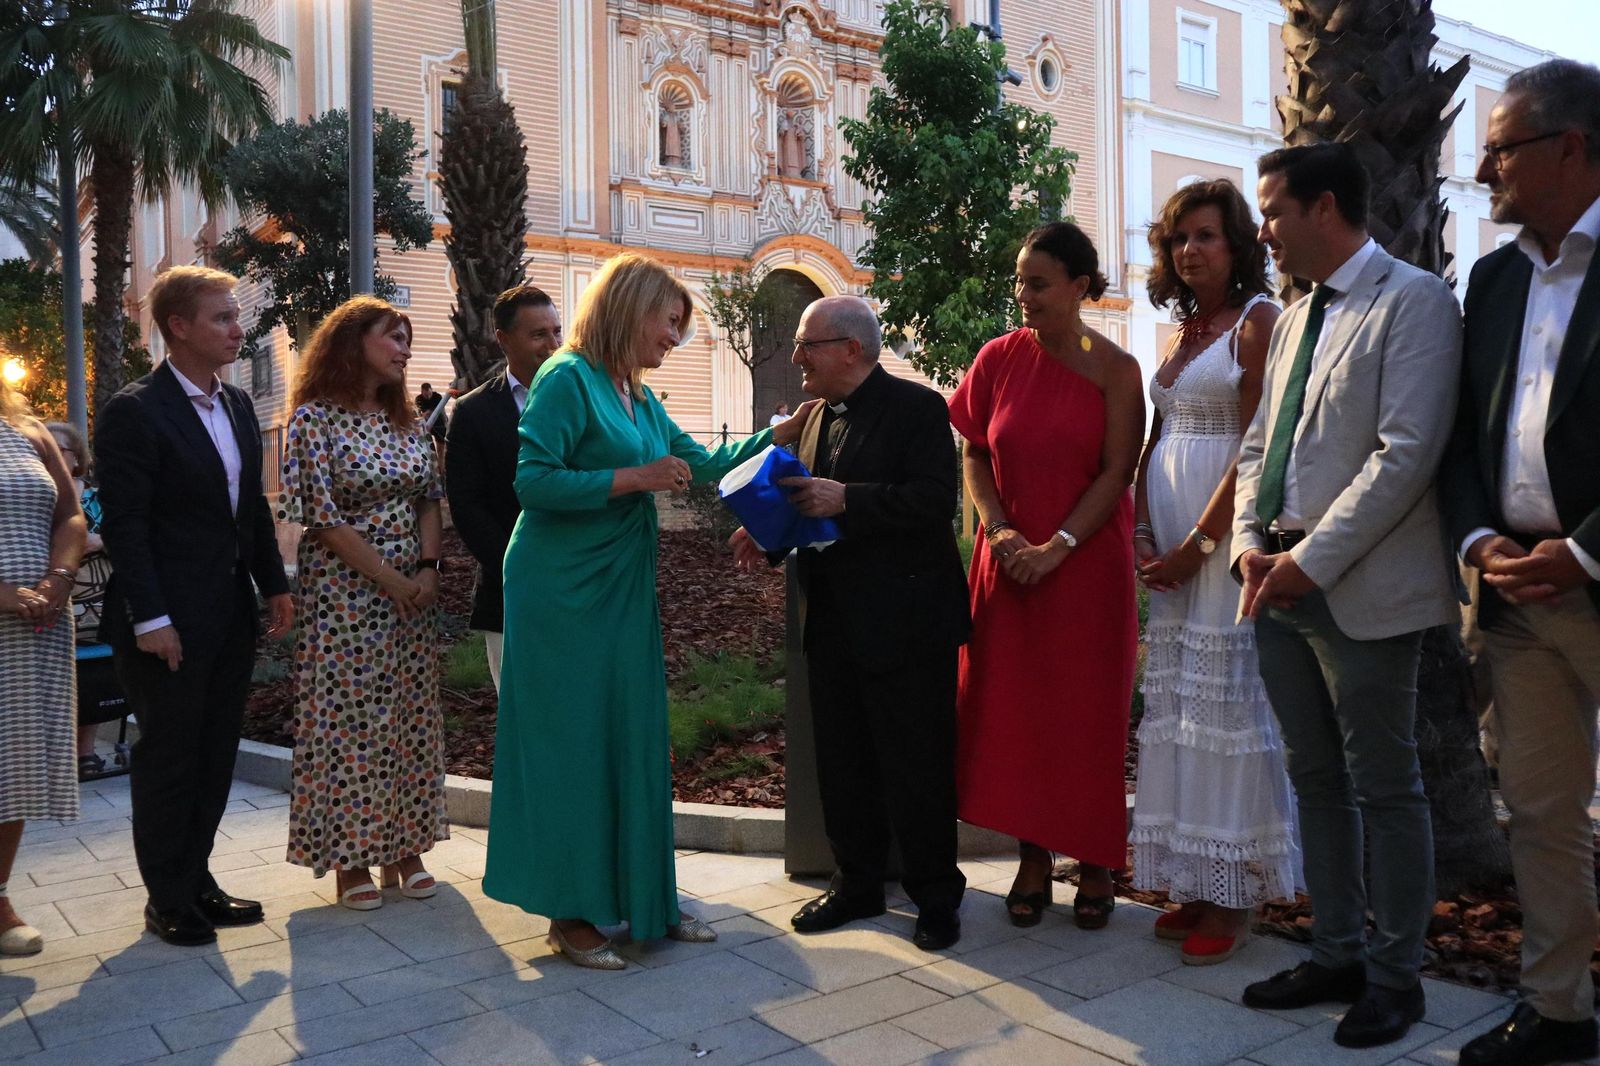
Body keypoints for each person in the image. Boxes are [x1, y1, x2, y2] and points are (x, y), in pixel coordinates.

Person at [484, 253, 808, 969]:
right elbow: (533, 482)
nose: (673, 341)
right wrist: (636, 477)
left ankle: (644, 899)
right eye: (668, 325)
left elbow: (704, 466)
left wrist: (778, 436)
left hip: (620, 585)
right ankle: (570, 915)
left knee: (630, 735)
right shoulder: (566, 378)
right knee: (573, 744)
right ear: (631, 311)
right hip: (560, 588)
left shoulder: (639, 396)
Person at [1232, 142, 1462, 1049]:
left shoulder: (1414, 301)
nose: (1266, 230)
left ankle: (1397, 977)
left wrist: (1309, 560)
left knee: (1385, 785)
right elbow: (1260, 448)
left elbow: (1404, 455)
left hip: (1360, 589)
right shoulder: (1292, 319)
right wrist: (1253, 544)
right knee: (1315, 779)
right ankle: (1335, 952)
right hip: (1275, 583)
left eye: (1275, 211)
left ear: (1324, 207)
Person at [1442, 60, 1600, 1066]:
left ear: (1571, 148)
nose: (1484, 164)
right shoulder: (1496, 274)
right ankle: (1560, 1014)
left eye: (1502, 145)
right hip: (1513, 596)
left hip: (1586, 575)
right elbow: (1463, 437)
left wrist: (1584, 550)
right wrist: (1477, 537)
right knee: (1541, 814)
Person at [733, 294, 972, 952]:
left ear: (852, 350)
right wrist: (768, 535)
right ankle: (856, 882)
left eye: (808, 344)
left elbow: (933, 503)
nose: (796, 357)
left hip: (906, 624)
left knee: (917, 765)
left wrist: (850, 498)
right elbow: (810, 507)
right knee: (842, 762)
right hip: (832, 618)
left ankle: (936, 897)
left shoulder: (919, 408)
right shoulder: (811, 420)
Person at [947, 222, 1143, 932]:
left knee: (1087, 716)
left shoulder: (1117, 369)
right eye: (1019, 281)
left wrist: (1058, 544)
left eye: (1038, 282)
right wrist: (999, 531)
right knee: (1018, 713)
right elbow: (973, 451)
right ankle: (1033, 860)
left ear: (1080, 287)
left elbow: (1118, 471)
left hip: (1086, 569)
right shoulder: (998, 358)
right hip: (1008, 567)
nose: (1022, 295)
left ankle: (1095, 862)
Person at [96, 265, 293, 947]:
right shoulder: (134, 411)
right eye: (222, 318)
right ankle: (167, 896)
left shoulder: (237, 405)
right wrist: (152, 620)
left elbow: (250, 515)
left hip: (228, 612)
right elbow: (127, 527)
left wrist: (275, 586)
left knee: (214, 754)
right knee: (170, 756)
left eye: (235, 317)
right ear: (179, 327)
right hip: (166, 623)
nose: (239, 328)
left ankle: (198, 878)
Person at [1130, 180, 1299, 964]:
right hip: (1165, 546)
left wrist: (1200, 541)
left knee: (1229, 714)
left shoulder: (1258, 323)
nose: (1189, 251)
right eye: (1178, 239)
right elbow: (1157, 433)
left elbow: (1258, 442)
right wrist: (1137, 521)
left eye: (1204, 236)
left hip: (1222, 544)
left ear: (1237, 244)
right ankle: (1198, 878)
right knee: (1181, 716)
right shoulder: (1182, 333)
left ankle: (1237, 900)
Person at [278, 296, 447, 910]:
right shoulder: (313, 420)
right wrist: (392, 580)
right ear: (354, 344)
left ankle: (406, 847)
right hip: (348, 596)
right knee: (352, 722)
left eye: (407, 338)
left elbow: (429, 496)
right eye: (393, 337)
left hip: (410, 597)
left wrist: (426, 569)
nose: (404, 350)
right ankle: (351, 855)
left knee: (407, 719)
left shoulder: (407, 424)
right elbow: (320, 519)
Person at [0, 380, 86, 956]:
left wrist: (57, 579)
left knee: (14, 767)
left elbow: (71, 516)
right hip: (13, 606)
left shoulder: (28, 431)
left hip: (36, 624)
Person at [447, 285, 563, 692]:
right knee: (520, 713)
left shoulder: (584, 401)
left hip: (582, 588)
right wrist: (520, 564)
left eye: (556, 332)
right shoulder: (472, 413)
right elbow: (466, 504)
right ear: (503, 339)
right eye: (538, 335)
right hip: (509, 592)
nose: (552, 345)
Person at [47, 420, 112, 779]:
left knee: (92, 676)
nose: (53, 457)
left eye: (61, 450)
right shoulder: (33, 497)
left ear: (77, 458)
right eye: (46, 450)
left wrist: (99, 542)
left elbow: (123, 537)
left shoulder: (96, 498)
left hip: (96, 601)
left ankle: (84, 752)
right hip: (50, 601)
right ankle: (56, 755)